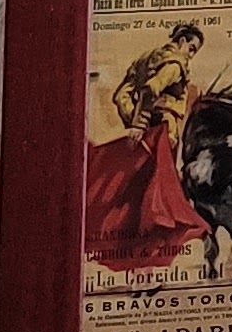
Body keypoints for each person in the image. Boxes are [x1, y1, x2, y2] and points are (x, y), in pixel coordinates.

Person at [85, 19, 209, 275]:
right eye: (192, 48)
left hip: (149, 133)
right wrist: (140, 124)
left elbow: (121, 96)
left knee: (140, 192)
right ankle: (148, 261)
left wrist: (136, 122)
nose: (191, 55)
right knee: (161, 197)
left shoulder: (145, 60)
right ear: (181, 41)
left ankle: (140, 261)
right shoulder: (175, 64)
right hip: (163, 132)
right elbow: (152, 89)